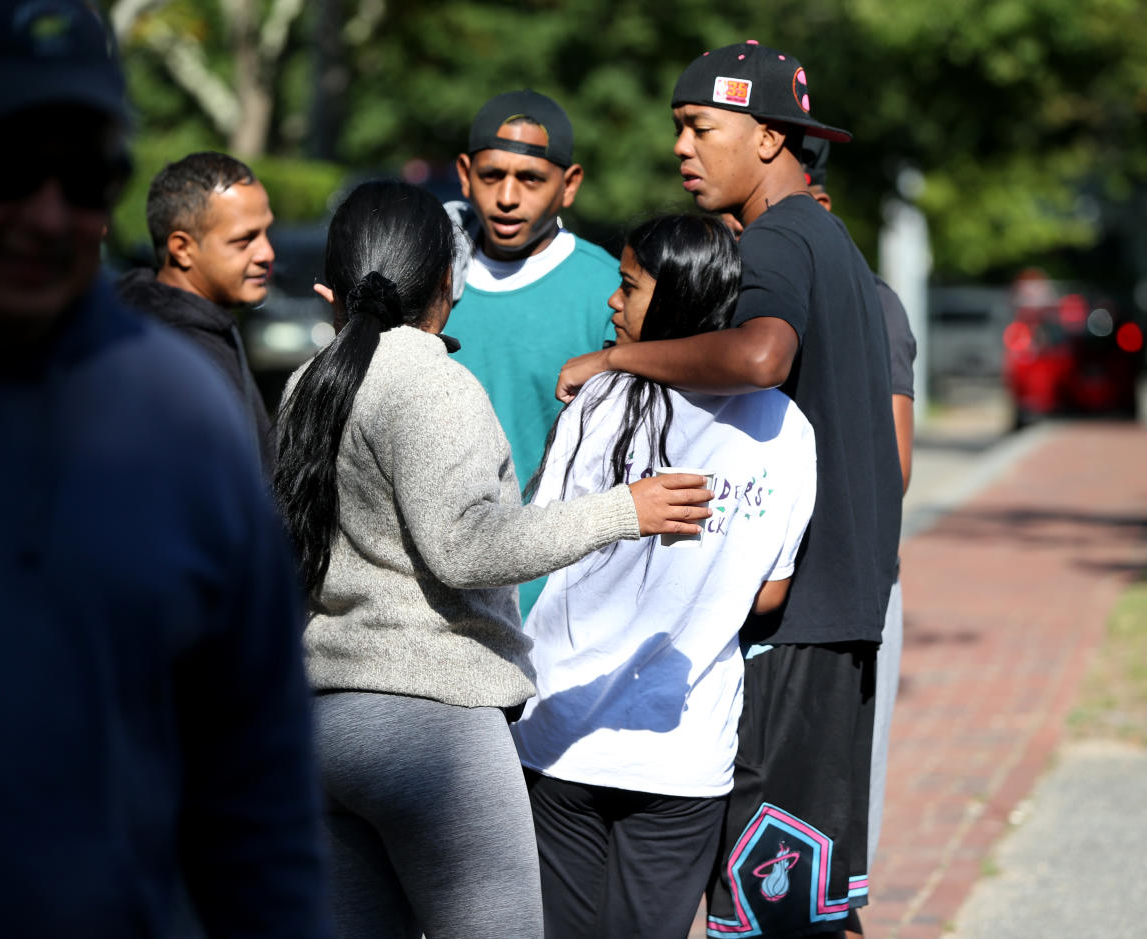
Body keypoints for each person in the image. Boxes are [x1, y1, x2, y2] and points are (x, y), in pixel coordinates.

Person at [0, 2, 327, 936]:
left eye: (85, 173)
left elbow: (257, 794)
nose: (49, 214)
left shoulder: (180, 418)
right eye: (10, 166)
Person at [273, 180, 714, 939]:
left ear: (329, 291)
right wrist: (625, 510)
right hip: (432, 729)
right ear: (450, 281)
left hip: (320, 725)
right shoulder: (430, 380)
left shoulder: (305, 385)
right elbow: (468, 545)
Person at [554, 41, 902, 938]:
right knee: (808, 898)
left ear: (772, 138)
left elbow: (760, 355)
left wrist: (619, 356)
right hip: (838, 617)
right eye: (679, 128)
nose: (682, 147)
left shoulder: (782, 234)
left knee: (773, 905)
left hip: (798, 626)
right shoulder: (829, 240)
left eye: (701, 127)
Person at [512, 214, 817, 939]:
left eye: (628, 286)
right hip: (684, 749)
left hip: (561, 729)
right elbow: (770, 593)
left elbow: (543, 536)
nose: (611, 304)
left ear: (677, 296)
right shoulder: (787, 428)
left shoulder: (600, 402)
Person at [446, 89, 619, 613]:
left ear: (569, 185)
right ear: (464, 173)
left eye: (531, 179)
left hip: (559, 598)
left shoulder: (611, 292)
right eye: (492, 175)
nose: (506, 197)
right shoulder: (426, 279)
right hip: (435, 594)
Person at [802, 135, 917, 876]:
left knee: (827, 861)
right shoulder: (721, 297)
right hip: (740, 602)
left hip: (840, 593)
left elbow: (892, 470)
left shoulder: (871, 302)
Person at [118, 151, 276, 471]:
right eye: (244, 240)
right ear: (182, 248)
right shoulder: (166, 359)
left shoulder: (205, 325)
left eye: (265, 232)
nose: (266, 253)